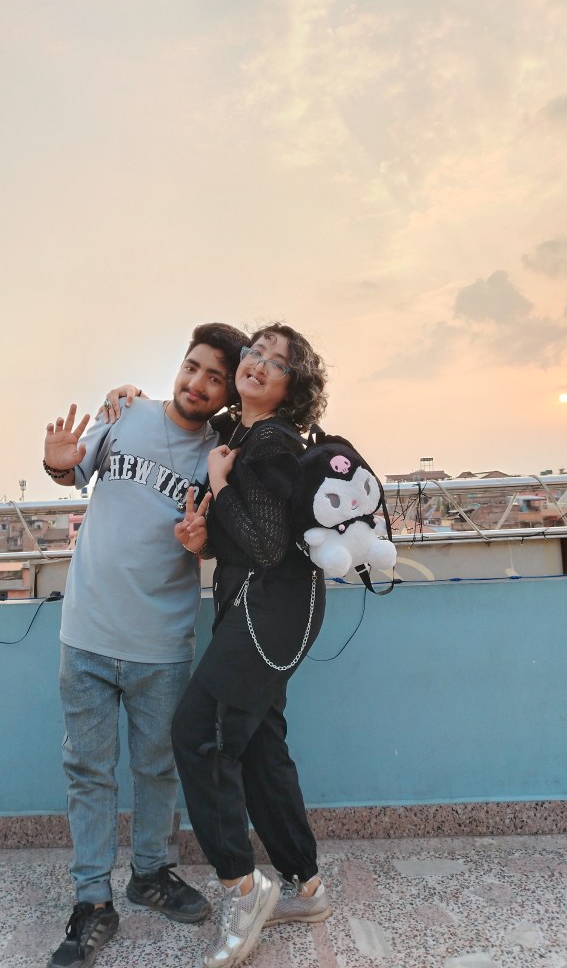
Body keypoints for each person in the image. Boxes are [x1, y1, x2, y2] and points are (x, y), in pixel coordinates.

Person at [42, 322, 248, 968]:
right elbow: (71, 472)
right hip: (87, 631)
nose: (198, 383)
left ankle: (152, 872)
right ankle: (92, 900)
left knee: (158, 767)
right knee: (88, 770)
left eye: (215, 378)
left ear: (227, 394)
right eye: (193, 367)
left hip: (160, 641)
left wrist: (202, 543)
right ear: (179, 366)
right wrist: (56, 460)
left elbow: (218, 539)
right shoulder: (125, 413)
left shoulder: (219, 458)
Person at [170, 323, 332, 968]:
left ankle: (243, 887)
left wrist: (220, 482)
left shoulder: (269, 440)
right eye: (255, 352)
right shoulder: (246, 434)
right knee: (261, 744)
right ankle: (306, 886)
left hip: (270, 611)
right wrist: (204, 540)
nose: (259, 364)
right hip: (273, 609)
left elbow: (265, 546)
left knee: (199, 733)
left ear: (293, 386)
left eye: (277, 362)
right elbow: (253, 537)